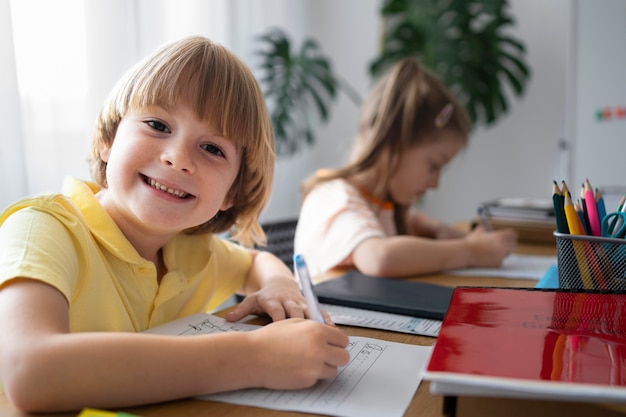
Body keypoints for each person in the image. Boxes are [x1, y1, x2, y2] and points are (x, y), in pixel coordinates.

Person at [0, 36, 349, 412]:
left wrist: (281, 285)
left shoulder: (190, 249)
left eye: (213, 149)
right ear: (108, 140)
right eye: (157, 124)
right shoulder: (44, 228)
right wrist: (253, 357)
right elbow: (30, 372)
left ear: (232, 193)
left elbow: (254, 262)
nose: (178, 158)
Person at [294, 59, 517, 281]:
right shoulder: (333, 197)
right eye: (434, 166)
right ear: (394, 145)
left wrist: (439, 230)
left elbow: (414, 221)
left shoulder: (379, 203)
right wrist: (471, 251)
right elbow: (380, 258)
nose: (435, 184)